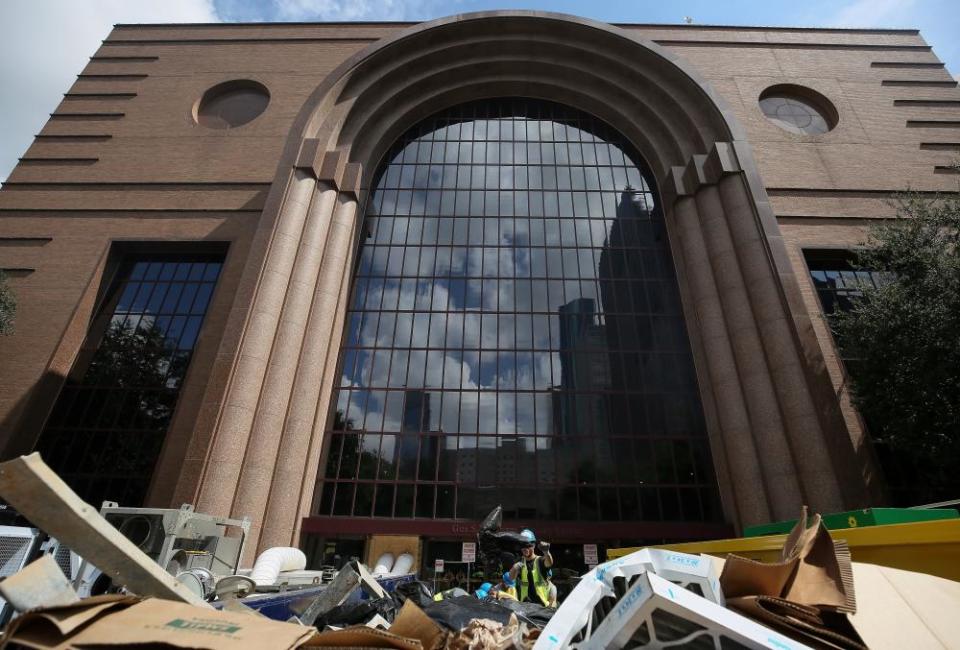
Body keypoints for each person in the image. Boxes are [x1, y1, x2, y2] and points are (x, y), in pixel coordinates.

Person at [508, 528, 553, 607]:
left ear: (534, 545)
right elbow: (511, 578)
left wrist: (546, 552)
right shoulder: (519, 562)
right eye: (522, 546)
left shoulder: (540, 560)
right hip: (525, 606)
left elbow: (549, 563)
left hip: (541, 606)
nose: (525, 549)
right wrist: (514, 568)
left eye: (528, 546)